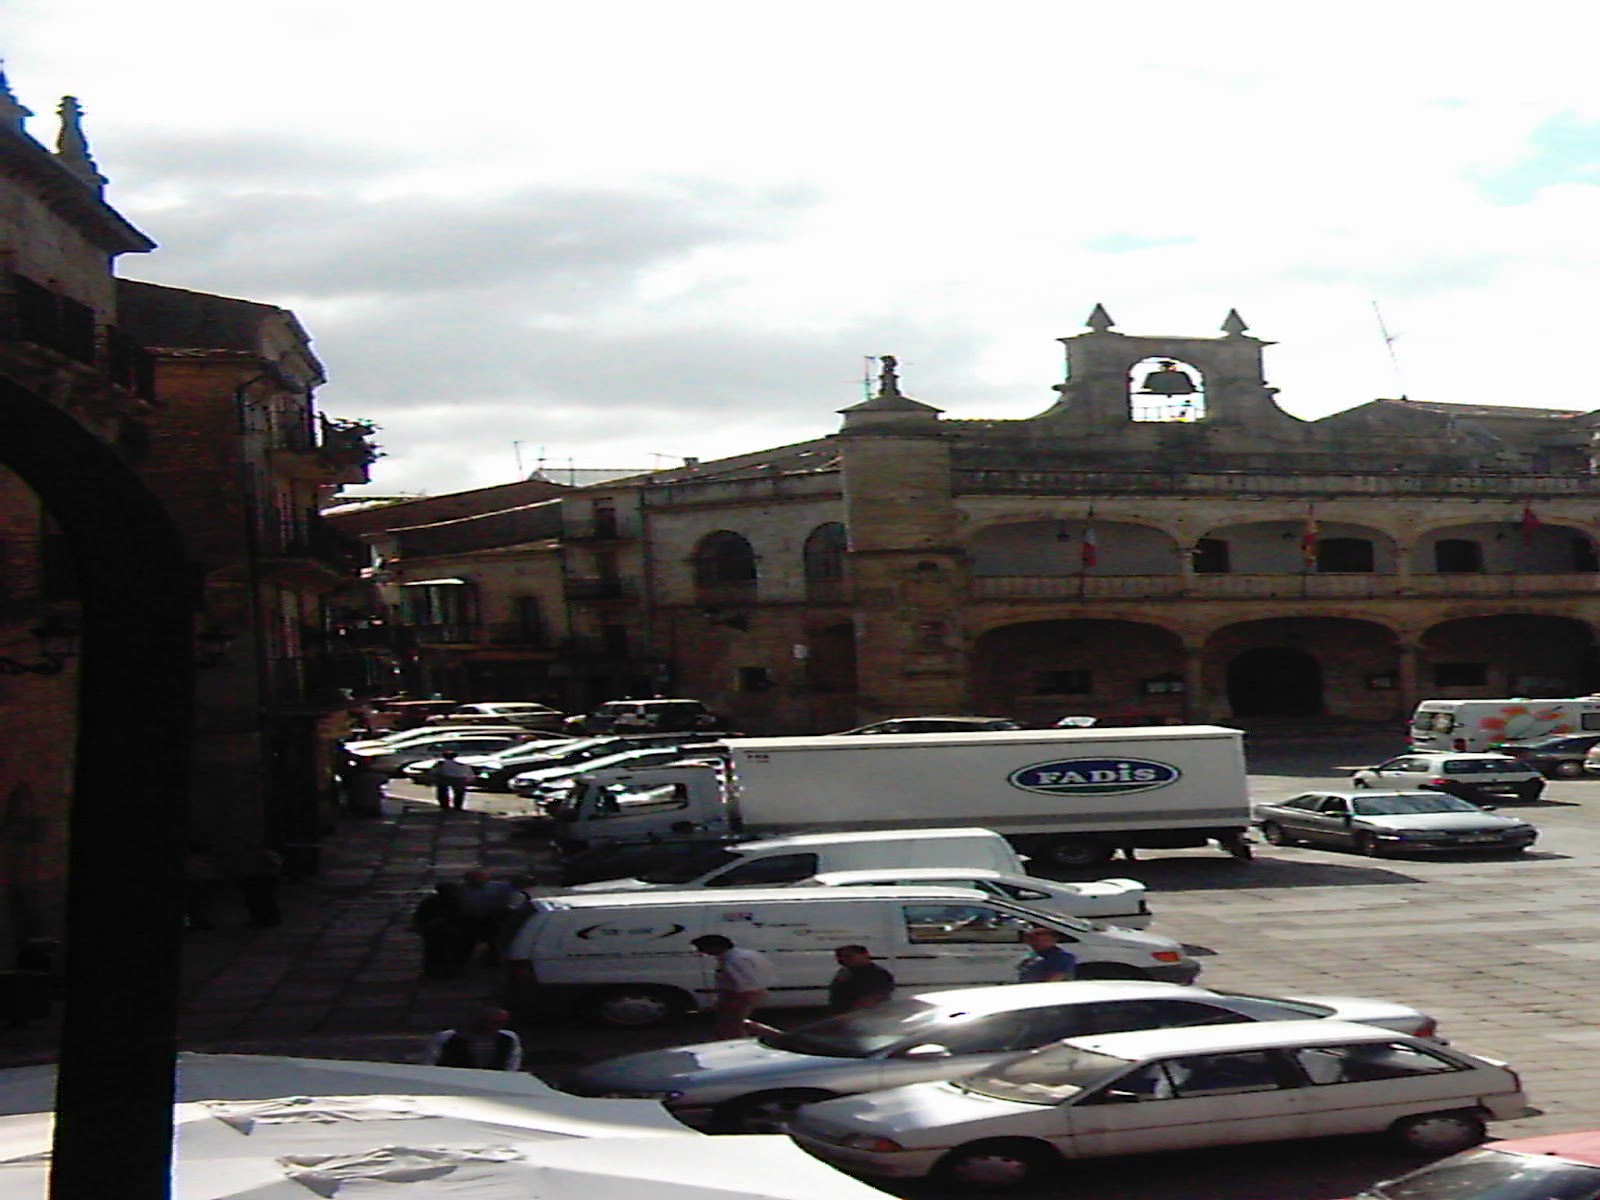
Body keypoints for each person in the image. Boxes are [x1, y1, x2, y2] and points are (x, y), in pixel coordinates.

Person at [691, 934, 778, 1038]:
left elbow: (746, 982)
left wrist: (732, 1001)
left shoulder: (734, 960)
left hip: (741, 995)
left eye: (702, 948)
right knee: (736, 1022)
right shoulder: (744, 954)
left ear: (716, 946)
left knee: (731, 1025)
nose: (702, 952)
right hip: (747, 993)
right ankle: (775, 1035)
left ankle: (741, 1043)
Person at [455, 869, 525, 965]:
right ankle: (463, 963)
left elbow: (514, 897)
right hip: (469, 920)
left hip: (492, 919)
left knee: (494, 942)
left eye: (479, 877)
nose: (477, 880)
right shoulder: (461, 889)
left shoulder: (499, 887)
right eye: (473, 878)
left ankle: (494, 961)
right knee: (467, 942)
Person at [211, 838, 285, 928]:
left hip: (264, 878)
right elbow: (242, 867)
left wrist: (263, 858)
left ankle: (270, 919)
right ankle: (258, 919)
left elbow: (275, 864)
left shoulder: (267, 854)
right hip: (250, 879)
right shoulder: (247, 855)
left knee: (266, 900)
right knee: (253, 901)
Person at [422, 1006, 523, 1071]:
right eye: (493, 1022)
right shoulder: (447, 1037)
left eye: (502, 1023)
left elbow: (512, 1063)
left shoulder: (508, 1038)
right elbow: (430, 1062)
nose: (497, 1026)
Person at [827, 945, 895, 1013]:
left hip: (863, 1015)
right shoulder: (846, 972)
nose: (843, 960)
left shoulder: (876, 974)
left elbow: (877, 998)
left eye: (848, 956)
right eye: (839, 957)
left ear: (864, 955)